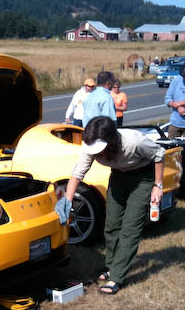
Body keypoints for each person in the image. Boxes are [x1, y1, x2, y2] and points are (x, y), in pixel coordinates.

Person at [55, 117, 165, 295]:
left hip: (142, 177)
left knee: (130, 228)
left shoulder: (134, 142)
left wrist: (157, 186)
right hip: (118, 178)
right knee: (111, 225)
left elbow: (159, 154)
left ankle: (117, 277)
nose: (97, 154)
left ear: (112, 141)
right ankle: (112, 266)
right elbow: (78, 173)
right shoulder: (90, 145)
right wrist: (67, 199)